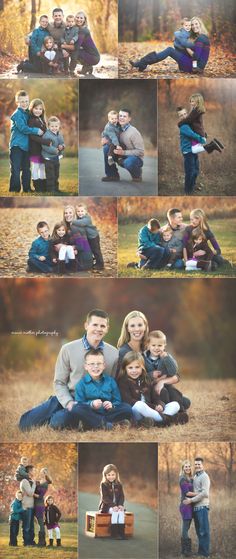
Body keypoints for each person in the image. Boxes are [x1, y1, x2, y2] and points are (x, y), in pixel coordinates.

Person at [19, 309, 119, 431]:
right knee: (25, 424)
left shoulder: (114, 354)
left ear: (107, 328)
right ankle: (57, 410)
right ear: (86, 325)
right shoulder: (68, 349)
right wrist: (69, 403)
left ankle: (72, 419)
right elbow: (59, 382)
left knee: (59, 422)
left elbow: (112, 384)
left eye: (102, 326)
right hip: (68, 397)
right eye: (95, 325)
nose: (98, 329)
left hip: (94, 404)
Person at [74, 348, 132, 430]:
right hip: (91, 413)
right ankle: (106, 424)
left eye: (99, 363)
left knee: (127, 408)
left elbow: (117, 400)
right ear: (86, 366)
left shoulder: (110, 381)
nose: (96, 366)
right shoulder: (81, 384)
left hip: (108, 412)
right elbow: (79, 403)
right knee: (77, 409)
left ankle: (98, 424)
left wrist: (112, 405)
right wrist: (91, 404)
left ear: (104, 365)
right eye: (92, 364)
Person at [129, 16, 210, 75]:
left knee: (169, 50)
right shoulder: (200, 37)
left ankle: (142, 63)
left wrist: (186, 47)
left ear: (200, 24)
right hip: (192, 65)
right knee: (171, 49)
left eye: (196, 24)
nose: (194, 26)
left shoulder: (201, 38)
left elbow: (196, 56)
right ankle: (142, 63)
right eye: (192, 25)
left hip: (195, 68)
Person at [117, 351, 180, 426]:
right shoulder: (123, 381)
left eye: (137, 367)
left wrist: (160, 405)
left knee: (175, 404)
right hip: (136, 412)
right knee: (139, 405)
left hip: (151, 412)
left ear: (142, 367)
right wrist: (154, 407)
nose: (134, 371)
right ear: (125, 369)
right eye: (130, 368)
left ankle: (156, 421)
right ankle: (166, 420)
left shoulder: (146, 379)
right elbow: (129, 401)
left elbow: (155, 398)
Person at [143, 330, 190, 416]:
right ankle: (166, 413)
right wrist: (151, 375)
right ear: (148, 345)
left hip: (167, 385)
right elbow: (142, 376)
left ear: (164, 346)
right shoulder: (144, 359)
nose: (157, 348)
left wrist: (166, 358)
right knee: (163, 393)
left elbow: (174, 371)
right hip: (152, 388)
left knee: (175, 392)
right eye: (153, 345)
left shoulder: (166, 357)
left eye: (160, 345)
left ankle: (181, 412)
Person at [9, 90, 43, 193]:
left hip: (26, 147)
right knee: (15, 169)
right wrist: (36, 131)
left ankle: (27, 188)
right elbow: (23, 128)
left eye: (26, 101)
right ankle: (14, 189)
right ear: (17, 102)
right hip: (16, 146)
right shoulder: (17, 114)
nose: (25, 103)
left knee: (26, 168)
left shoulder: (28, 113)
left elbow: (34, 120)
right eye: (22, 101)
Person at [102, 109, 144, 183]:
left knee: (129, 162)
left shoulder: (133, 132)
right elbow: (107, 131)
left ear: (129, 119)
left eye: (124, 116)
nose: (121, 118)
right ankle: (112, 175)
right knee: (106, 148)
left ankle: (137, 174)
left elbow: (140, 152)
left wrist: (123, 153)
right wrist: (104, 139)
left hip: (134, 158)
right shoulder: (116, 127)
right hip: (121, 154)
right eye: (120, 116)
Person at [183, 457, 211, 558]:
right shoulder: (195, 476)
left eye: (199, 464)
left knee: (204, 531)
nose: (197, 466)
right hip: (195, 508)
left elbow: (205, 493)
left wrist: (191, 500)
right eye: (196, 464)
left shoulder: (204, 476)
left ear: (203, 465)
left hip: (202, 507)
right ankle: (201, 552)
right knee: (199, 532)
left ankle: (205, 554)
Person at [177, 106, 206, 195]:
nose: (184, 116)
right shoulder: (184, 126)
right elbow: (192, 134)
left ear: (188, 114)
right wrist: (201, 139)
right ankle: (188, 190)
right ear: (179, 117)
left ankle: (192, 186)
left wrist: (203, 134)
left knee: (196, 169)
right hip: (188, 152)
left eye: (185, 114)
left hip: (193, 150)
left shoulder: (189, 123)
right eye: (181, 115)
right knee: (190, 171)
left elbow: (197, 130)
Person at [28, 98, 50, 193]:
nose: (38, 111)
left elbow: (45, 133)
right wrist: (45, 142)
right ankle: (37, 187)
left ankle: (43, 186)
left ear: (43, 110)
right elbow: (32, 136)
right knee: (35, 167)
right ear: (32, 109)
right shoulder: (32, 120)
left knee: (42, 167)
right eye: (36, 108)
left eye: (40, 109)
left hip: (42, 150)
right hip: (35, 148)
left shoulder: (41, 120)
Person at [99, 464, 126, 539]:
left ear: (116, 474)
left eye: (113, 475)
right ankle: (114, 533)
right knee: (115, 512)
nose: (111, 477)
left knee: (121, 512)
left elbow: (122, 496)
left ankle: (122, 533)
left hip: (117, 506)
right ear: (105, 475)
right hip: (107, 507)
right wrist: (113, 505)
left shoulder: (119, 484)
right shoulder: (103, 484)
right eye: (109, 475)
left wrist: (120, 505)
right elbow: (105, 498)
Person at [74, 203, 104, 269]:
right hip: (88, 238)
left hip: (93, 236)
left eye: (82, 211)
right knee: (90, 250)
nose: (80, 213)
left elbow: (82, 223)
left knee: (96, 250)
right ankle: (94, 262)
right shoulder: (78, 219)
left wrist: (72, 221)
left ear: (86, 211)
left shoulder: (87, 218)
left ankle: (100, 264)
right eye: (78, 211)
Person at [63, 205, 94, 271]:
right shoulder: (69, 226)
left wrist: (70, 247)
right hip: (84, 260)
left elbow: (81, 246)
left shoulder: (75, 227)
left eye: (70, 213)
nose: (68, 215)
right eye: (66, 213)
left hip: (83, 262)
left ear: (74, 214)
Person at [41, 116, 65, 193]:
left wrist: (62, 146)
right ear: (48, 126)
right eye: (52, 126)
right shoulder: (46, 135)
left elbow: (62, 143)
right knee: (50, 175)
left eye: (56, 126)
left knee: (56, 174)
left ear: (59, 126)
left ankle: (56, 188)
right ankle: (50, 189)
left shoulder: (59, 134)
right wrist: (55, 150)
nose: (54, 128)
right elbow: (45, 146)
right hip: (48, 158)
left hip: (56, 158)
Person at [74, 11, 100, 75]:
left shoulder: (83, 30)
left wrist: (63, 46)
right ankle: (88, 67)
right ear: (75, 18)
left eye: (81, 18)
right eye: (77, 17)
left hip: (94, 57)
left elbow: (76, 46)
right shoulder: (77, 29)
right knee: (75, 51)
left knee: (73, 51)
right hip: (90, 55)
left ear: (84, 20)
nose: (79, 19)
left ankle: (87, 66)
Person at [179, 460, 196, 557]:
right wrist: (200, 494)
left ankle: (183, 550)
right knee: (185, 529)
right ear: (182, 468)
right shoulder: (182, 479)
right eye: (186, 467)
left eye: (189, 466)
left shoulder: (190, 478)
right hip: (185, 506)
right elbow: (187, 493)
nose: (188, 468)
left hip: (190, 505)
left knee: (186, 528)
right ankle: (187, 551)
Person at [34, 468, 52, 547]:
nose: (42, 473)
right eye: (41, 472)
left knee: (40, 523)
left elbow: (40, 496)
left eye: (44, 472)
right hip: (33, 504)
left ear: (46, 474)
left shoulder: (45, 483)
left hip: (39, 505)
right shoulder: (38, 481)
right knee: (36, 523)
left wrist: (30, 493)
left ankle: (42, 542)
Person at [20, 465, 36, 547]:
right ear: (29, 471)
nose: (34, 472)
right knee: (26, 526)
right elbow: (30, 493)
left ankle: (31, 541)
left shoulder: (31, 481)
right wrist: (34, 485)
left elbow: (31, 493)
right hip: (26, 506)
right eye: (33, 470)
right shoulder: (24, 481)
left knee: (31, 526)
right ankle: (26, 542)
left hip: (32, 506)